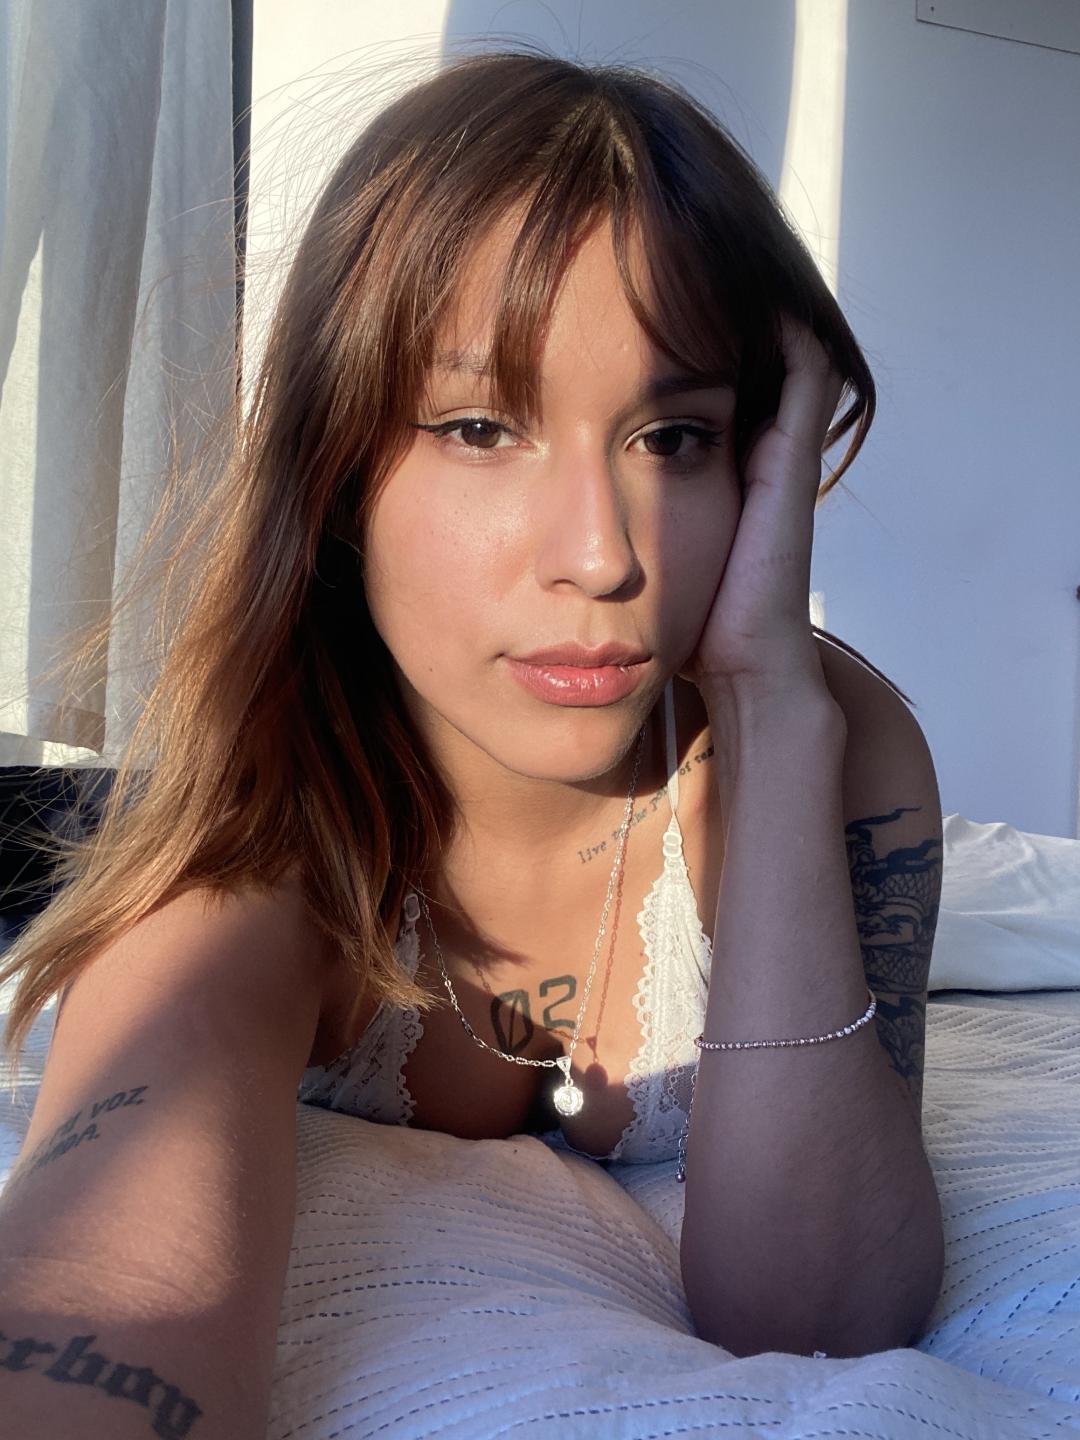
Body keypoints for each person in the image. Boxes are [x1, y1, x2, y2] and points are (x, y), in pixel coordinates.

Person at [0, 47, 945, 1439]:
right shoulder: (266, 833)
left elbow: (815, 1314)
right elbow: (104, 1298)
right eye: (482, 425)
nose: (603, 557)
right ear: (336, 466)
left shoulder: (835, 746)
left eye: (675, 437)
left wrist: (772, 708)